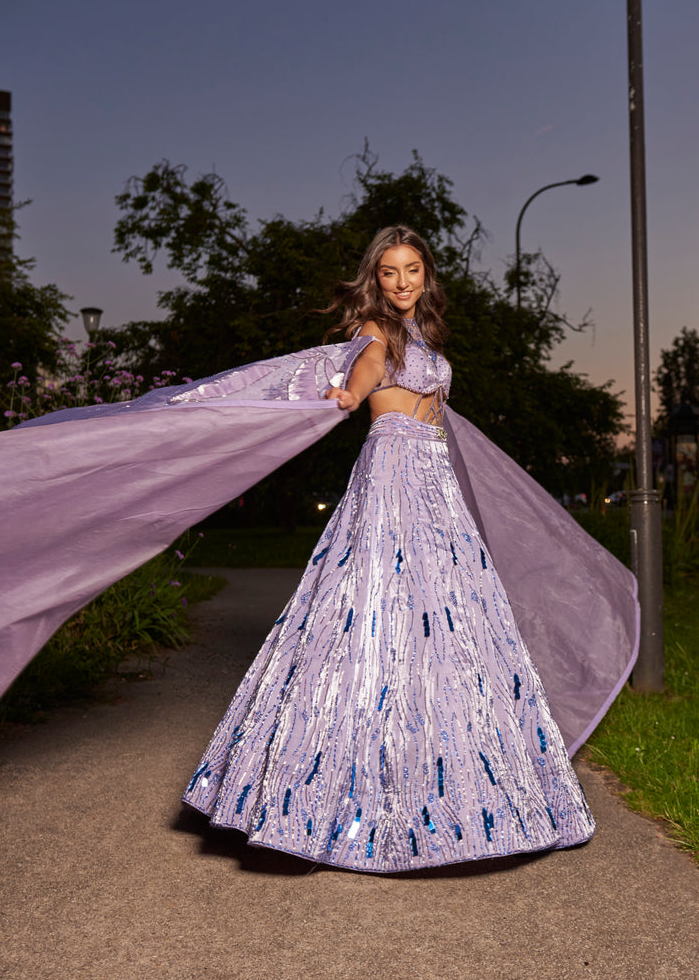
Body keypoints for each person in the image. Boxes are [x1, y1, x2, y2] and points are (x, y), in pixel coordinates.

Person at [181, 225, 606, 873]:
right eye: (389, 271)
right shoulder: (377, 332)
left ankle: (462, 781)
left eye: (412, 269)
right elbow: (368, 366)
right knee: (371, 609)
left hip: (435, 477)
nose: (402, 281)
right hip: (393, 471)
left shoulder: (425, 334)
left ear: (425, 274)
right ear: (374, 279)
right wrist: (352, 393)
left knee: (453, 618)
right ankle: (333, 798)